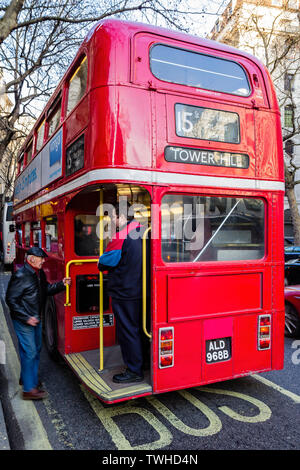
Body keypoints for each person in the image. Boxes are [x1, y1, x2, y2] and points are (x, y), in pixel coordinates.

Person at [5, 247, 71, 400]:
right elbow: (11, 300)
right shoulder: (21, 275)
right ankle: (28, 389)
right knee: (30, 351)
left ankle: (27, 379)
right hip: (24, 320)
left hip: (35, 318)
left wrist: (62, 284)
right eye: (40, 258)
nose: (43, 261)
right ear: (31, 259)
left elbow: (46, 289)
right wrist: (26, 317)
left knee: (34, 349)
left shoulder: (38, 273)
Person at [98, 204, 149, 384]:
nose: (112, 220)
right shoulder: (146, 231)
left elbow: (103, 263)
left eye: (113, 217)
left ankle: (134, 370)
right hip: (146, 291)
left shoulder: (121, 236)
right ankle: (144, 363)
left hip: (125, 292)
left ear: (120, 216)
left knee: (128, 331)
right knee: (143, 329)